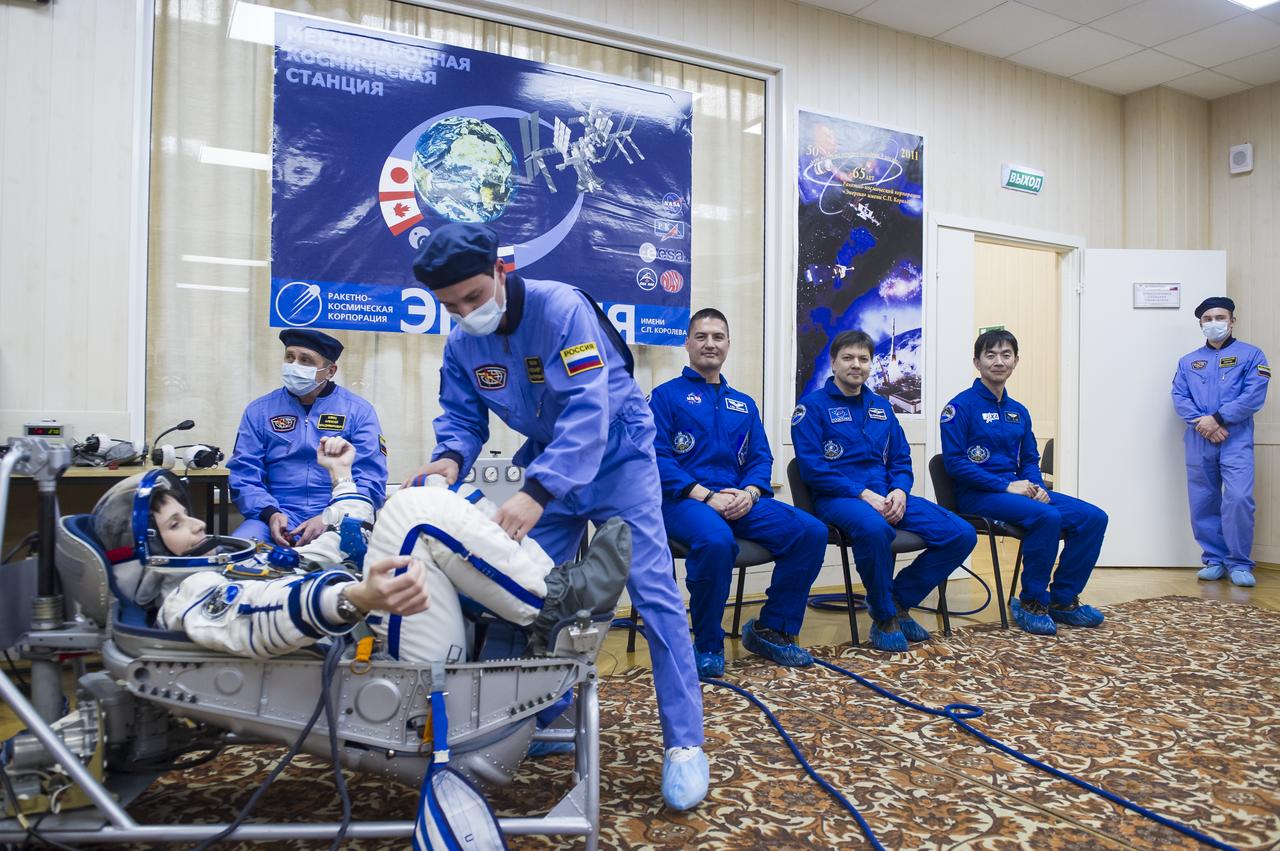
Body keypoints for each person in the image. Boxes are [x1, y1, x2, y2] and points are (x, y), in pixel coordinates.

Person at [402, 223, 708, 812]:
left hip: (618, 455)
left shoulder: (561, 308)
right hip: (547, 463)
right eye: (451, 306)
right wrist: (445, 462)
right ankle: (543, 713)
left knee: (652, 591)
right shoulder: (464, 343)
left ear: (500, 271)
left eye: (473, 296)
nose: (466, 312)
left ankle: (685, 743)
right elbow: (462, 418)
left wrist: (536, 493)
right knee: (521, 585)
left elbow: (589, 410)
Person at [91, 437, 630, 663]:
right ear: (147, 551)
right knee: (415, 512)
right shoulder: (190, 592)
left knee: (438, 489)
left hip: (385, 618)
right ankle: (557, 610)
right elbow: (254, 622)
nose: (196, 525)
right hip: (375, 655)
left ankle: (558, 594)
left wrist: (342, 475)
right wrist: (356, 595)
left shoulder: (229, 560)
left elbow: (337, 540)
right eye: (178, 523)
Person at [649, 308, 827, 677]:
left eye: (718, 337)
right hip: (683, 501)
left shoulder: (743, 404)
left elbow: (761, 458)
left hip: (737, 500)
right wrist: (704, 495)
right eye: (701, 336)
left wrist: (750, 492)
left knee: (811, 531)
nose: (710, 344)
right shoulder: (664, 397)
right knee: (716, 542)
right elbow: (655, 458)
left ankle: (772, 630)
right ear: (687, 343)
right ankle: (708, 644)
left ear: (728, 344)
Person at [793, 330, 976, 653]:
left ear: (871, 365)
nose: (856, 365)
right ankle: (884, 617)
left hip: (888, 496)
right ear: (833, 362)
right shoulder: (811, 409)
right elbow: (812, 469)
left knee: (961, 534)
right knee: (876, 529)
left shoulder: (882, 407)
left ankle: (897, 598)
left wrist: (900, 491)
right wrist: (863, 494)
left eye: (863, 359)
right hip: (839, 499)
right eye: (848, 358)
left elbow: (901, 458)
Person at [941, 329, 1108, 636]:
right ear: (976, 362)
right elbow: (954, 464)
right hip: (979, 495)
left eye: (1006, 355)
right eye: (990, 355)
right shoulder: (959, 407)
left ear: (1016, 361)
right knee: (1046, 517)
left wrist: (1037, 487)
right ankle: (1032, 601)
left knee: (1094, 518)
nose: (998, 361)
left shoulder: (1019, 411)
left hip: (1019, 490)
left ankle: (1063, 600)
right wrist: (1005, 486)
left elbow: (1029, 459)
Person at [228, 329, 387, 547]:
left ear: (330, 371)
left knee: (347, 564)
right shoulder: (259, 411)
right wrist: (270, 513)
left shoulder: (359, 412)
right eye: (290, 357)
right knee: (237, 551)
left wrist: (330, 516)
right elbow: (244, 474)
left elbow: (372, 479)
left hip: (338, 516)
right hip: (275, 516)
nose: (294, 365)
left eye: (306, 360)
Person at [1171, 296, 1271, 587]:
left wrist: (1219, 419)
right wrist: (1204, 423)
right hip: (1199, 437)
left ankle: (1239, 562)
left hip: (1235, 437)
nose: (1214, 323)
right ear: (1201, 324)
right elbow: (1179, 397)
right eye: (1208, 319)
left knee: (1239, 498)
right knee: (1203, 500)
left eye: (1220, 318)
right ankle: (1214, 559)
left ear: (1232, 321)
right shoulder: (1188, 361)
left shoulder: (1251, 355)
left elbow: (1254, 395)